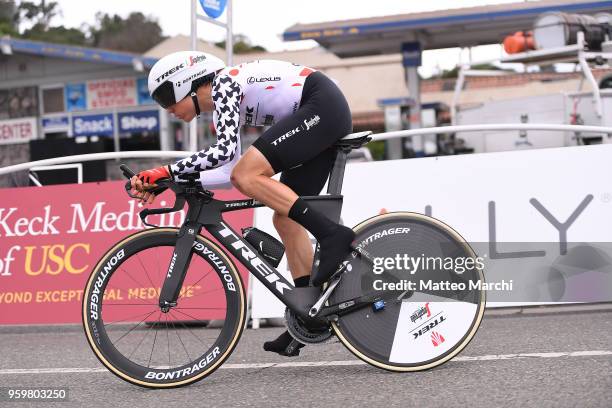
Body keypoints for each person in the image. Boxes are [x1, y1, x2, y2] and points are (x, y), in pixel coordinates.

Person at [131, 51, 354, 356]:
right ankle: (307, 316)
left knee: (249, 175)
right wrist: (172, 183)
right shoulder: (225, 101)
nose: (167, 109)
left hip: (321, 104)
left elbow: (225, 157)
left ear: (186, 84)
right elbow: (228, 172)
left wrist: (167, 170)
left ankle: (332, 235)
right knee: (284, 218)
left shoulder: (224, 83)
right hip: (320, 109)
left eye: (167, 97)